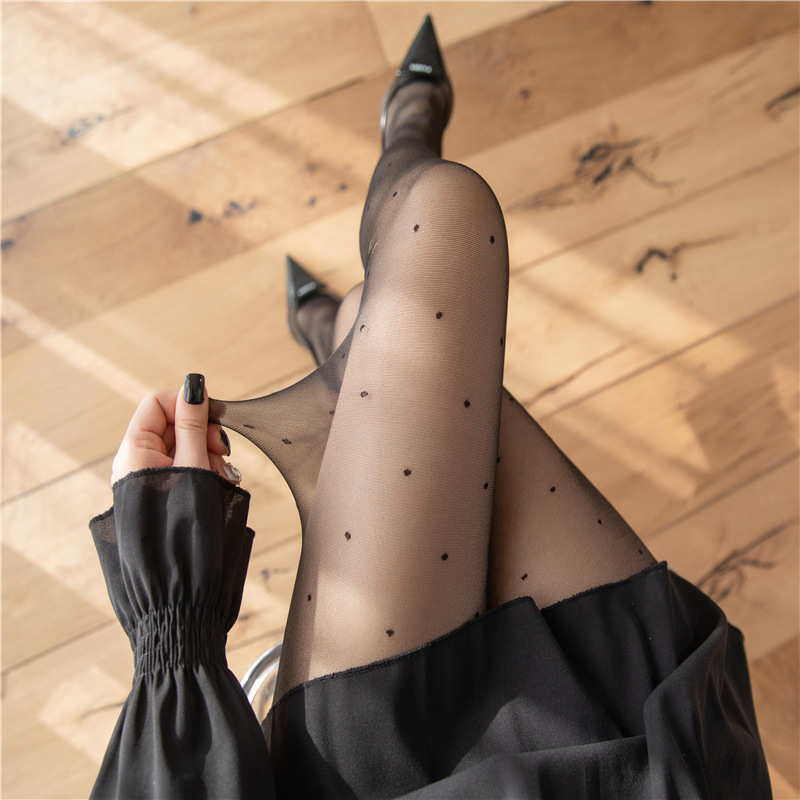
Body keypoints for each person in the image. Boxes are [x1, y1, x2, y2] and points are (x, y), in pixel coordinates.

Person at [89, 17, 771, 799]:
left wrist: (171, 610)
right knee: (427, 243)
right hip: (660, 765)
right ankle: (394, 171)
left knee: (424, 248)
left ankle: (392, 179)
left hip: (379, 781)